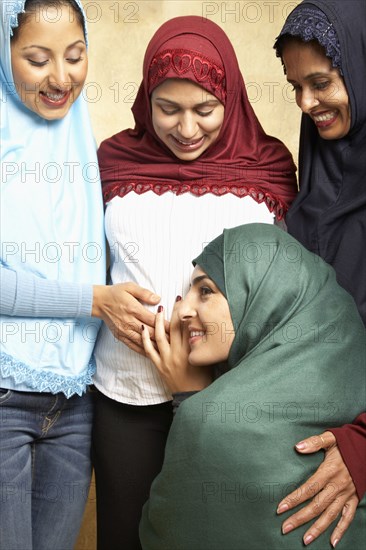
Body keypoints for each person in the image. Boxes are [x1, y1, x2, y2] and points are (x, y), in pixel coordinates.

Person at [92, 15, 297, 550]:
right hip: (126, 398)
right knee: (124, 536)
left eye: (205, 110)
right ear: (144, 98)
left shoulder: (268, 168)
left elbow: (283, 295)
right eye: (168, 109)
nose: (186, 129)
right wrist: (102, 302)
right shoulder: (113, 161)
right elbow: (86, 267)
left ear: (230, 99)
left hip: (230, 401)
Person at [139, 222, 366, 550]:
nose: (183, 310)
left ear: (266, 295)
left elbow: (162, 532)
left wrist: (190, 402)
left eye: (205, 291)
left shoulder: (212, 423)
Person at [0, 1, 126, 548]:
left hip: (75, 398)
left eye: (75, 56)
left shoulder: (78, 135)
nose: (61, 78)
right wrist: (94, 301)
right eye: (36, 59)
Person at [273, 1, 366, 546]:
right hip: (314, 443)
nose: (307, 103)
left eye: (322, 83)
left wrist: (361, 444)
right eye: (294, 87)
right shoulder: (313, 179)